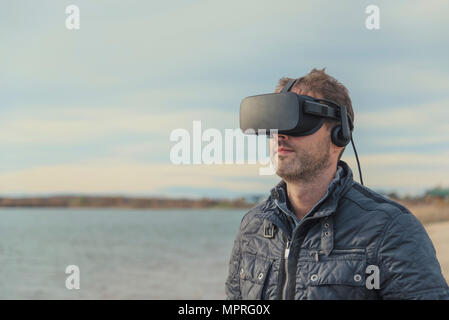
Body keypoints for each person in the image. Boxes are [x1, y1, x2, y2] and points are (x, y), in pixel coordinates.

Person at [225, 68, 449, 300]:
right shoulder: (253, 227)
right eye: (274, 121)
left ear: (339, 135)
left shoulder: (389, 230)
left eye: (297, 121)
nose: (280, 134)